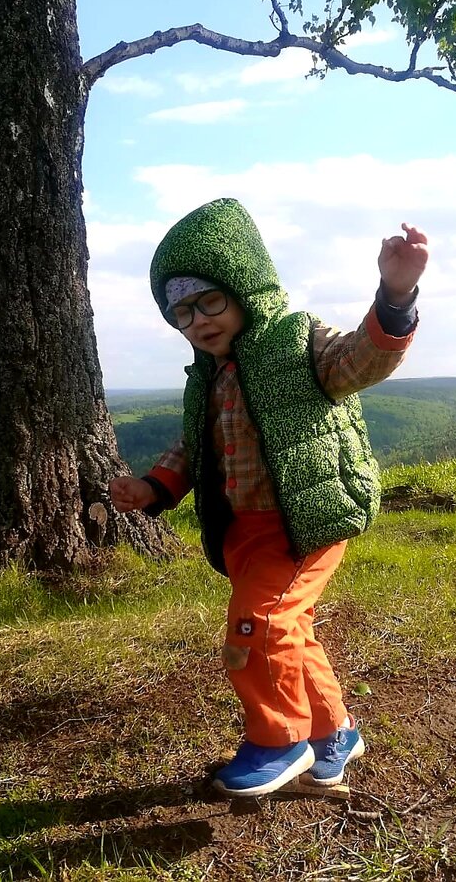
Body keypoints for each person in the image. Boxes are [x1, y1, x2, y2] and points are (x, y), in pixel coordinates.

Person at [109, 198, 426, 797]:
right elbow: (195, 448)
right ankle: (334, 734)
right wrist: (152, 487)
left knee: (259, 624)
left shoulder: (296, 343)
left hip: (304, 520)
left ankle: (280, 740)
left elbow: (361, 361)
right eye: (181, 311)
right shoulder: (207, 375)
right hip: (246, 531)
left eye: (209, 300)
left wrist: (395, 295)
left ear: (244, 287)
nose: (198, 320)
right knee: (291, 630)